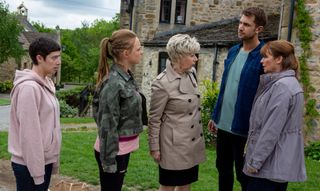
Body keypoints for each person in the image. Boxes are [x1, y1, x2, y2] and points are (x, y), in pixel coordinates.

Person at [208, 7, 267, 191]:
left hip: (245, 128)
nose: (240, 27)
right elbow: (225, 86)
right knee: (223, 170)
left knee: (244, 175)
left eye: (246, 24)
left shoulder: (264, 56)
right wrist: (215, 115)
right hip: (224, 125)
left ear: (259, 29)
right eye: (240, 23)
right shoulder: (233, 51)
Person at [243, 40, 307, 191]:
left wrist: (254, 162)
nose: (261, 61)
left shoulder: (281, 88)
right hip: (275, 164)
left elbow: (270, 131)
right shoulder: (286, 84)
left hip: (268, 167)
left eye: (266, 57)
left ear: (279, 59)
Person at [148, 34, 206, 191]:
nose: (196, 59)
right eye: (192, 55)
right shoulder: (162, 83)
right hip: (172, 146)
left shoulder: (191, 73)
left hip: (190, 144)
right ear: (180, 56)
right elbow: (154, 119)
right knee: (167, 186)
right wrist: (155, 147)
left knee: (186, 184)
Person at [93, 29, 144, 191]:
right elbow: (107, 126)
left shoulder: (126, 76)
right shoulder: (114, 83)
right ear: (125, 53)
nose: (141, 52)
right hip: (113, 152)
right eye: (138, 49)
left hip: (120, 151)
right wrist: (108, 164)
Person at [8, 37, 62, 191]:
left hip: (43, 162)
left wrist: (52, 161)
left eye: (59, 57)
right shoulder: (29, 88)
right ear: (39, 58)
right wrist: (38, 174)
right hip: (28, 166)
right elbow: (29, 135)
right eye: (54, 58)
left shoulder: (47, 83)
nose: (58, 62)